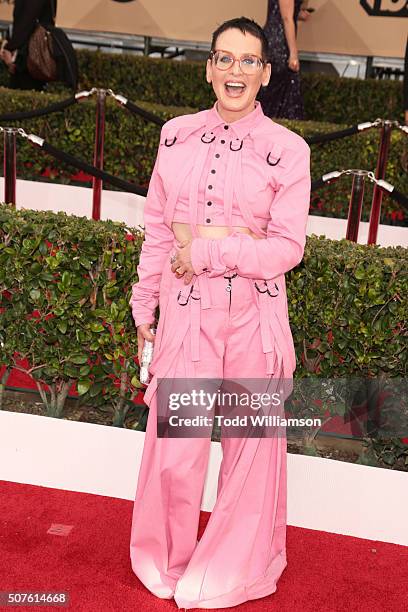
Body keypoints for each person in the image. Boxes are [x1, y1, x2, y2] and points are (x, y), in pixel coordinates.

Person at [129, 16, 310, 609]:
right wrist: (143, 311)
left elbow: (287, 248)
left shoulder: (288, 150)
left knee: (248, 452)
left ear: (265, 73)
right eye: (223, 59)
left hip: (253, 319)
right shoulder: (175, 136)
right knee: (176, 451)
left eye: (248, 61)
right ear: (208, 67)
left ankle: (230, 567)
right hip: (184, 316)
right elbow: (157, 232)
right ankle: (166, 558)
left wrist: (208, 250)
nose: (235, 72)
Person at [257, 0, 306, 119]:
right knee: (276, 93)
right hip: (278, 44)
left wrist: (299, 14)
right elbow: (286, 18)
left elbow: (285, 12)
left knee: (275, 93)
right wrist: (293, 54)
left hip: (277, 41)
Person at [0, 0, 57, 91]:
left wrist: (9, 48)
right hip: (31, 54)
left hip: (30, 56)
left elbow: (26, 21)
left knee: (23, 91)